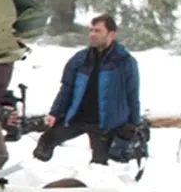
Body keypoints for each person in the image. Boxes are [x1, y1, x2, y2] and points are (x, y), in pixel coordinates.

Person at [34, 14, 140, 165]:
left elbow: (132, 94)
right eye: (91, 30)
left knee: (100, 166)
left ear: (111, 33)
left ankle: (97, 185)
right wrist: (54, 113)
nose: (92, 35)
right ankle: (36, 176)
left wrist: (134, 124)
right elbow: (66, 89)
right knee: (45, 142)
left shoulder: (124, 62)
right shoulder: (80, 59)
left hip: (105, 124)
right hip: (77, 118)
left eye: (98, 31)